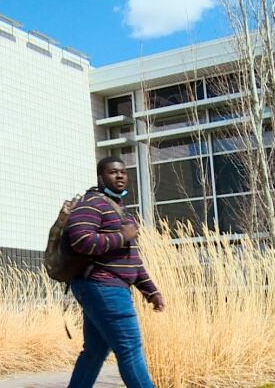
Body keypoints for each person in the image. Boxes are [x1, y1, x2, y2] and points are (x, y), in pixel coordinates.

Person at [66, 156, 165, 388]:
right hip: (103, 285)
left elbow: (131, 259)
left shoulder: (121, 210)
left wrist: (150, 291)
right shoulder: (91, 203)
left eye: (123, 172)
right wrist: (123, 236)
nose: (120, 176)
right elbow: (81, 240)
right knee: (130, 348)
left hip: (110, 286)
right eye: (113, 172)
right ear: (101, 178)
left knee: (94, 352)